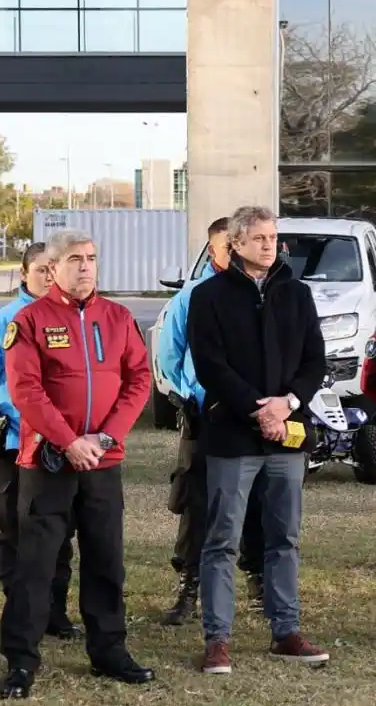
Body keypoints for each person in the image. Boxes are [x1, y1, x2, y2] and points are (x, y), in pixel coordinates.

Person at [0, 229, 155, 698]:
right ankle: (21, 661)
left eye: (90, 258)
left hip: (103, 462)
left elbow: (138, 379)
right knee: (36, 565)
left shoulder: (117, 317)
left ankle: (109, 651)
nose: (85, 266)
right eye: (74, 259)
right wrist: (68, 441)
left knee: (106, 559)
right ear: (53, 268)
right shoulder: (30, 320)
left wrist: (105, 437)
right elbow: (25, 390)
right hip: (47, 463)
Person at [187, 205, 329, 673]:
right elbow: (210, 366)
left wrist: (285, 404)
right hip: (232, 435)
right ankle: (218, 639)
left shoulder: (297, 294)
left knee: (283, 536)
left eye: (273, 238)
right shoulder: (208, 297)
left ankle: (285, 630)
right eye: (261, 238)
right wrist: (256, 407)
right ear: (236, 244)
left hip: (286, 436)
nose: (270, 245)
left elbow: (315, 361)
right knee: (222, 539)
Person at [0, 243, 81, 643]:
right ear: (24, 273)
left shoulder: (71, 318)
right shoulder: (2, 321)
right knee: (15, 526)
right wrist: (10, 416)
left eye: (55, 269)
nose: (49, 277)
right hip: (16, 443)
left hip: (62, 444)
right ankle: (20, 610)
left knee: (59, 529)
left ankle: (56, 611)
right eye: (41, 271)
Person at [156, 217, 267, 626]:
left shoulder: (262, 290)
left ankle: (258, 578)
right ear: (215, 249)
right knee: (198, 500)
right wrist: (191, 398)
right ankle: (189, 584)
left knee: (257, 499)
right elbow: (171, 355)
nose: (234, 254)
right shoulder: (193, 296)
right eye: (226, 247)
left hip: (253, 414)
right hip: (206, 414)